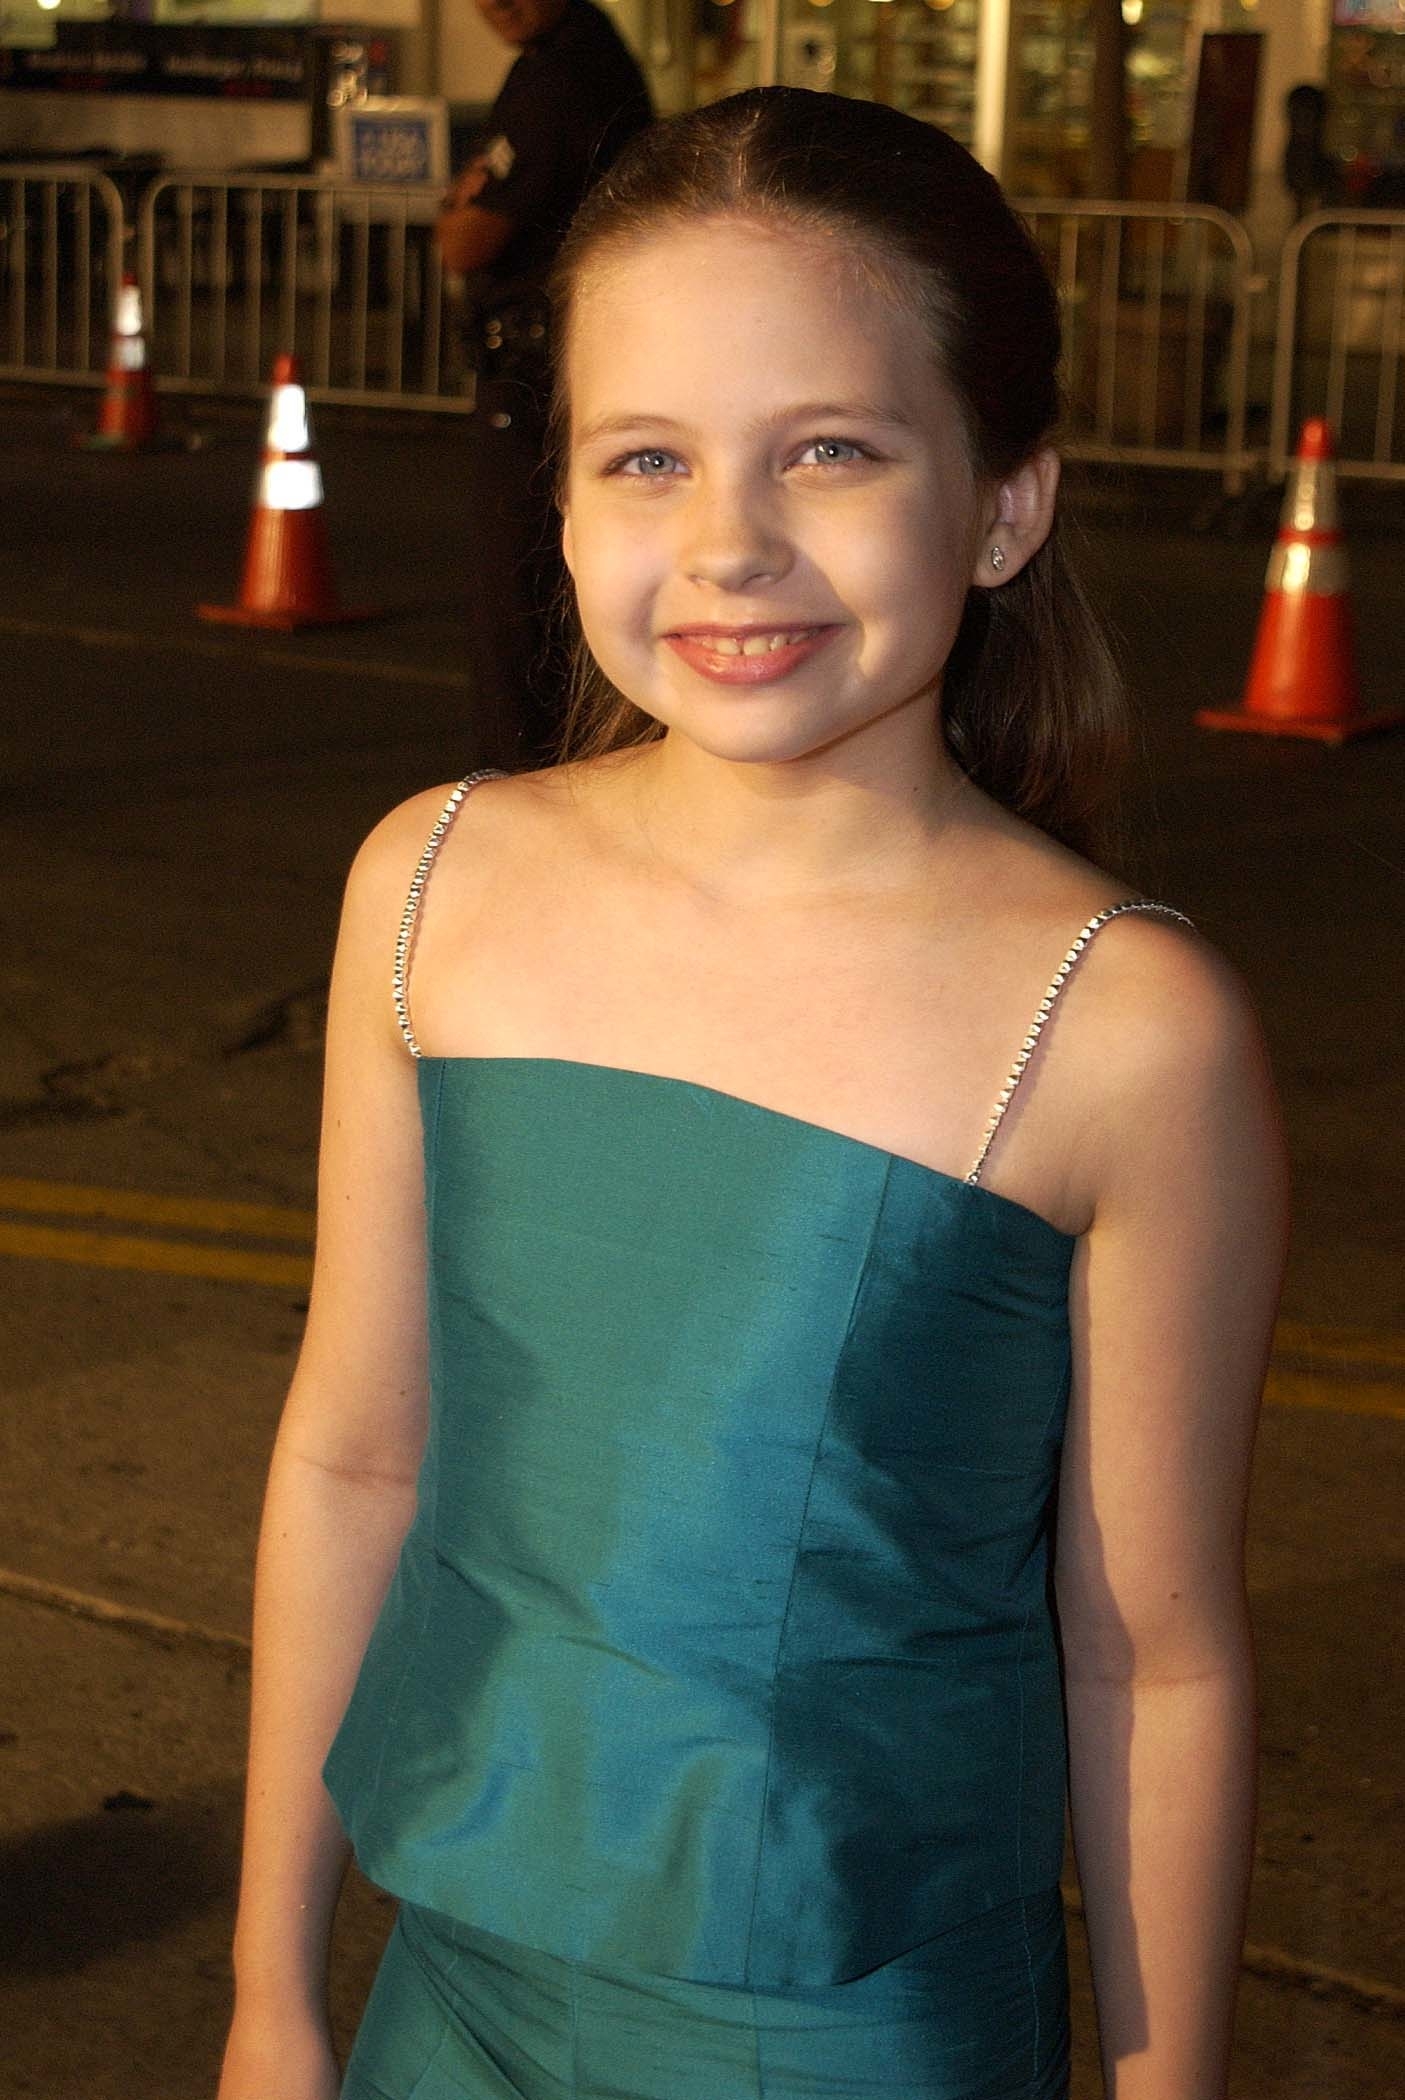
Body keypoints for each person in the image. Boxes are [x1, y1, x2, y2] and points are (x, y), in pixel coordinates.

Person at [217, 87, 1289, 2100]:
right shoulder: (433, 881)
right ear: (560, 504)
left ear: (999, 505)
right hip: (450, 1980)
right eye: (646, 458)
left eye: (831, 449)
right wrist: (273, 1983)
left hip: (854, 2022)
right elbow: (360, 1458)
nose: (728, 541)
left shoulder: (1123, 1024)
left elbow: (1150, 1653)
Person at [434, 0, 652, 771]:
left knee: (521, 612)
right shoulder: (575, 62)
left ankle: (527, 797)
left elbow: (465, 237)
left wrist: (460, 204)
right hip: (569, 367)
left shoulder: (562, 78)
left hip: (538, 379)